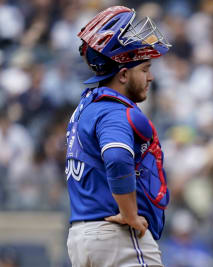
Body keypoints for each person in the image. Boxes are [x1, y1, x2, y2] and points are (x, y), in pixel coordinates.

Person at [65, 6, 170, 267]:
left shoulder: (86, 108)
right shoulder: (113, 111)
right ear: (123, 74)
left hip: (82, 236)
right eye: (144, 69)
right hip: (117, 236)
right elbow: (116, 158)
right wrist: (130, 214)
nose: (150, 77)